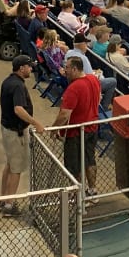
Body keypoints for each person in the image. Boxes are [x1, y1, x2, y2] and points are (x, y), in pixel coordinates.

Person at [54, 55, 102, 183]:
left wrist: (54, 129)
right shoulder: (94, 79)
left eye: (67, 68)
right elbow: (99, 99)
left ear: (75, 69)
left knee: (74, 166)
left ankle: (78, 195)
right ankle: (92, 191)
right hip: (92, 128)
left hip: (76, 132)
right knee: (89, 160)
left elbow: (64, 114)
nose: (65, 71)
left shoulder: (73, 88)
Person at [0, 56, 38, 215]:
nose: (31, 69)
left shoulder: (8, 81)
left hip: (7, 129)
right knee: (16, 169)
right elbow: (18, 109)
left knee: (9, 165)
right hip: (15, 133)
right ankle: (9, 205)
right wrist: (36, 123)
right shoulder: (17, 86)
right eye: (29, 67)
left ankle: (2, 199)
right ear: (21, 68)